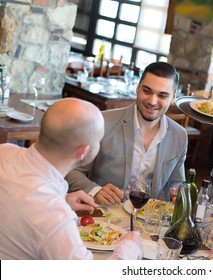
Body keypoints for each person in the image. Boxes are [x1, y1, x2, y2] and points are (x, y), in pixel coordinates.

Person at [0, 98, 142, 260]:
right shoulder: (55, 218)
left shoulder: (5, 151)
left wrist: (63, 201)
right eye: (98, 140)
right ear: (82, 152)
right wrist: (128, 249)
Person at [66, 62, 187, 205]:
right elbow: (70, 170)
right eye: (147, 91)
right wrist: (95, 190)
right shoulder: (103, 121)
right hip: (101, 213)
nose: (152, 101)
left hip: (145, 220)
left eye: (162, 95)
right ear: (137, 88)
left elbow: (177, 183)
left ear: (173, 98)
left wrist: (178, 194)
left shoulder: (180, 135)